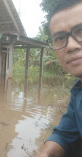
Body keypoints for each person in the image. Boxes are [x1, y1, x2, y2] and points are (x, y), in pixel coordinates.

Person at [37, 0, 82, 156]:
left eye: (81, 30)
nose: (70, 46)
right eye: (60, 38)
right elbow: (64, 133)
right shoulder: (78, 92)